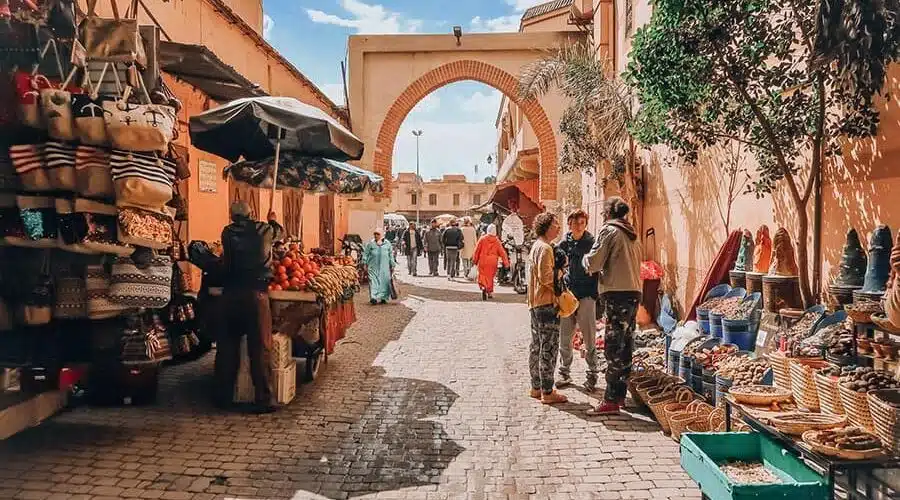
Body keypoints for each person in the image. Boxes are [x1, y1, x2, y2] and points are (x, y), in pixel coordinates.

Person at [215, 202, 282, 414]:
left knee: (227, 348)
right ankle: (264, 399)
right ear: (251, 213)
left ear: (232, 216)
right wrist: (272, 219)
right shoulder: (264, 229)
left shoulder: (227, 232)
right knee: (260, 348)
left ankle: (223, 397)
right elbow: (279, 233)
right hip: (256, 294)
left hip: (231, 294)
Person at [583, 197, 642, 415]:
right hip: (634, 293)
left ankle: (610, 399)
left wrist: (584, 261)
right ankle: (620, 395)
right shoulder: (631, 233)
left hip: (617, 294)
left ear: (607, 214)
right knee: (626, 346)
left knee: (613, 347)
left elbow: (595, 261)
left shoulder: (610, 231)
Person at [556, 210, 600, 391]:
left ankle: (592, 373)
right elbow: (556, 264)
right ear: (569, 224)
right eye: (576, 223)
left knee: (589, 337)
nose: (579, 226)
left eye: (582, 223)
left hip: (587, 294)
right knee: (565, 336)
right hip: (568, 295)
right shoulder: (564, 243)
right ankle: (564, 372)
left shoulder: (592, 243)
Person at [527, 212, 567, 405]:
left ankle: (536, 387)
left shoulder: (536, 246)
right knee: (548, 348)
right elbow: (546, 278)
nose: (558, 227)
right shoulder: (545, 248)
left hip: (535, 303)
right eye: (555, 224)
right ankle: (547, 391)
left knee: (537, 346)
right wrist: (560, 272)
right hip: (546, 303)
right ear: (547, 227)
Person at [472, 224, 509, 300]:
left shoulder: (482, 239)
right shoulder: (497, 241)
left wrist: (475, 261)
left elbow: (476, 251)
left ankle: (483, 286)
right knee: (490, 277)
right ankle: (489, 291)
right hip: (492, 262)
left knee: (482, 275)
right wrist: (506, 263)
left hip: (483, 260)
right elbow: (502, 253)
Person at [363, 228, 396, 305]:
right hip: (372, 266)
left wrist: (392, 264)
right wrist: (364, 263)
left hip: (384, 267)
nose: (376, 236)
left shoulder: (387, 244)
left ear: (382, 235)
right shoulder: (371, 244)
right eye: (375, 234)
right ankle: (373, 297)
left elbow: (390, 255)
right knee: (373, 281)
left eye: (378, 234)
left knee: (384, 282)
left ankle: (383, 298)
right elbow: (366, 254)